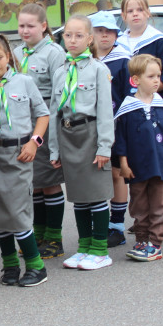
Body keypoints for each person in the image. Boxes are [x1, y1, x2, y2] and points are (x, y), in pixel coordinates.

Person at [0, 35, 50, 287]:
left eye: (0, 57)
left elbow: (42, 114)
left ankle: (36, 265)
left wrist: (34, 142)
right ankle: (9, 264)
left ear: (9, 57)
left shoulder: (24, 82)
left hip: (17, 154)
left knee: (17, 211)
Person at [50, 15, 115, 271]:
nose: (73, 40)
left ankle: (100, 249)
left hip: (91, 134)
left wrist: (104, 147)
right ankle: (84, 247)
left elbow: (105, 113)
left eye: (79, 36)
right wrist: (54, 149)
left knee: (96, 194)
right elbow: (55, 112)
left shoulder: (99, 70)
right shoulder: (60, 72)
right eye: (68, 35)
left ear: (90, 39)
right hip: (68, 136)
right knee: (78, 196)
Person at [13, 3, 67, 258]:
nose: (24, 30)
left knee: (50, 182)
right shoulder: (16, 52)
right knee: (33, 182)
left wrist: (53, 135)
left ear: (44, 26)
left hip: (44, 123)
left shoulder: (54, 53)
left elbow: (59, 95)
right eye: (21, 25)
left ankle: (55, 239)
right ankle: (39, 234)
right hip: (24, 123)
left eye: (30, 26)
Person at [114, 54, 163, 262]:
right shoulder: (128, 108)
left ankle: (155, 243)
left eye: (158, 76)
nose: (156, 80)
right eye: (150, 76)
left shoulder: (162, 106)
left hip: (159, 166)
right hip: (137, 167)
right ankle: (142, 239)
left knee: (159, 204)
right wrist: (123, 164)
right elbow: (121, 140)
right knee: (139, 205)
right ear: (135, 80)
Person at [90, 10, 130, 247]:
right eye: (99, 31)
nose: (104, 36)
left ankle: (117, 226)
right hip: (89, 128)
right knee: (96, 175)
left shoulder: (123, 61)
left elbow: (128, 96)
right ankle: (99, 222)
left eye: (110, 31)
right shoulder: (85, 61)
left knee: (116, 174)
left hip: (116, 125)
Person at [116, 0, 163, 105]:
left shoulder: (159, 41)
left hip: (153, 105)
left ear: (148, 13)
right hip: (125, 105)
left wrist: (144, 93)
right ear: (123, 16)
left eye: (140, 10)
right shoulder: (118, 44)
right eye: (130, 11)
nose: (135, 14)